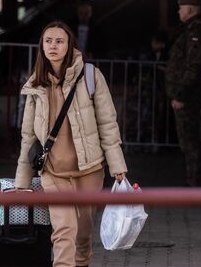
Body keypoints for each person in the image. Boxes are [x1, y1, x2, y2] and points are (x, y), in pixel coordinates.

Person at [14, 21, 128, 267]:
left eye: (59, 41)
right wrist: (22, 182)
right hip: (53, 171)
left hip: (89, 169)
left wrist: (116, 164)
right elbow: (28, 136)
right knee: (64, 230)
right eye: (48, 41)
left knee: (82, 233)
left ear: (69, 45)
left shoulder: (91, 76)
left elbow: (108, 123)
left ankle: (83, 262)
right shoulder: (35, 84)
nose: (53, 46)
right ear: (41, 46)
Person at [165, 0, 201, 186]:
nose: (178, 11)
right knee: (187, 142)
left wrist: (181, 95)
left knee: (190, 143)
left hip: (187, 97)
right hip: (185, 95)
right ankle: (192, 182)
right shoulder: (191, 30)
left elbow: (194, 66)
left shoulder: (195, 33)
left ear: (190, 10)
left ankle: (194, 186)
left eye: (181, 8)